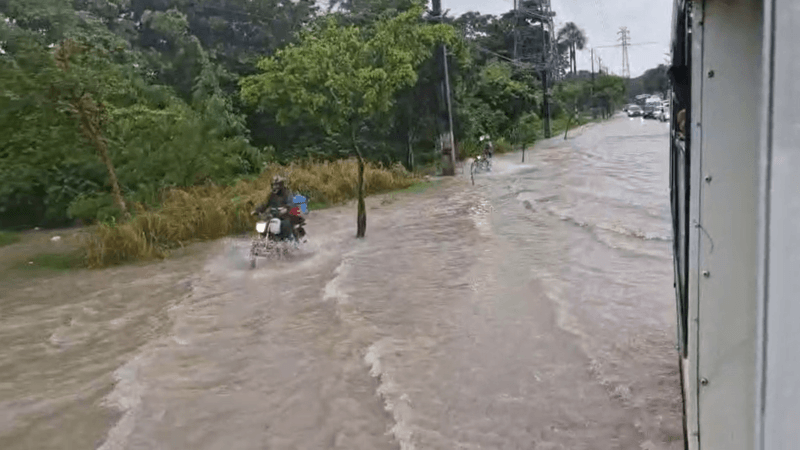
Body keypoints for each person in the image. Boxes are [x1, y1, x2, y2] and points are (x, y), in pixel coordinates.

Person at [252, 176, 306, 240]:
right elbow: (265, 204)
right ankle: (265, 239)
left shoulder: (287, 194)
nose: (275, 187)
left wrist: (286, 208)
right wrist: (257, 210)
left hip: (286, 216)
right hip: (274, 216)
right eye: (274, 185)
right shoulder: (272, 195)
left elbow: (291, 203)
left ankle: (289, 241)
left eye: (277, 185)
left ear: (281, 185)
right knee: (265, 226)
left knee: (286, 224)